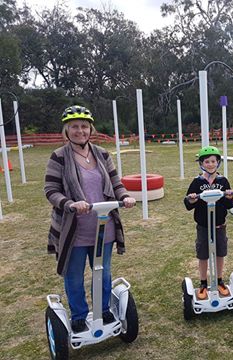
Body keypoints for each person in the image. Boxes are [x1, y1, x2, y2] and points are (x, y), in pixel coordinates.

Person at [44, 105, 136, 333]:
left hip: (103, 227)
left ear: (90, 129)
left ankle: (103, 310)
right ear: (66, 130)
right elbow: (51, 190)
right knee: (74, 275)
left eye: (84, 126)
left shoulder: (102, 154)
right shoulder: (59, 157)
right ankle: (78, 314)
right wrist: (70, 204)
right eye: (74, 126)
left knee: (102, 272)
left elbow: (116, 183)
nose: (80, 131)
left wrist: (124, 196)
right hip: (74, 229)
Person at [184, 146, 233, 300]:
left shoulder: (223, 181)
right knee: (203, 254)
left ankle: (219, 281)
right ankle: (203, 283)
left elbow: (230, 205)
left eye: (213, 161)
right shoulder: (197, 182)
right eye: (207, 161)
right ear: (202, 163)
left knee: (220, 252)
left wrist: (229, 197)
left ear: (218, 163)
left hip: (219, 225)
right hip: (203, 226)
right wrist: (192, 198)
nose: (210, 164)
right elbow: (188, 203)